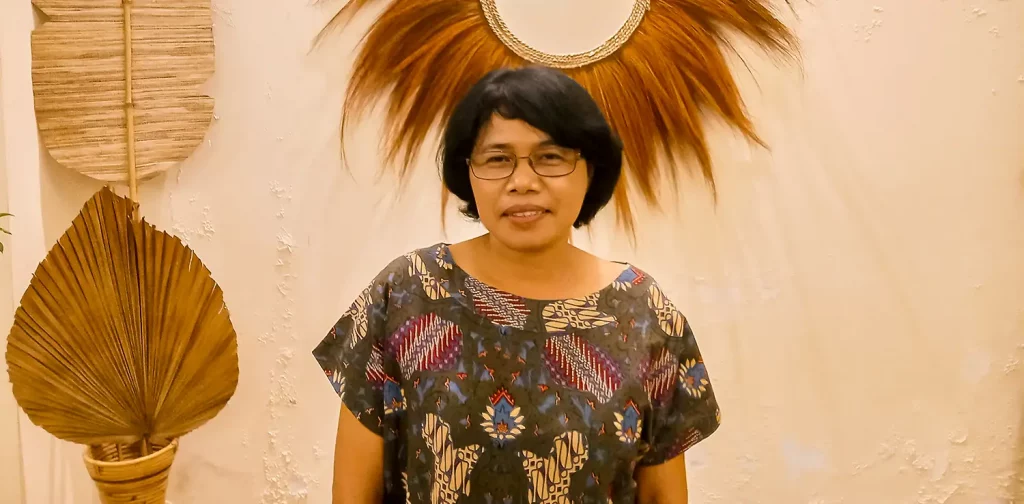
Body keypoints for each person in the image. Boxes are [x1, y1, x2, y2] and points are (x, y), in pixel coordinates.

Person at [312, 66, 720, 504]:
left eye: (550, 157)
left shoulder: (643, 313)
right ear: (467, 171)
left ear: (590, 168)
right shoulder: (406, 293)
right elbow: (354, 494)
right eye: (497, 158)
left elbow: (662, 495)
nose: (522, 183)